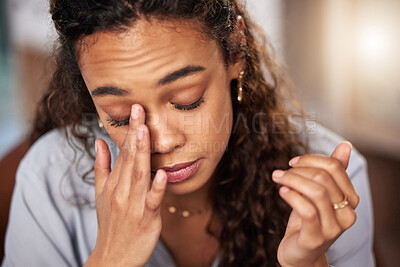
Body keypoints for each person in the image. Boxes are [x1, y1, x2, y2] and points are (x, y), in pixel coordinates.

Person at [2, 0, 375, 266]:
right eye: (119, 116)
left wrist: (307, 264)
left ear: (236, 50)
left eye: (186, 100)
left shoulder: (332, 178)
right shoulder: (48, 180)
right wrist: (110, 259)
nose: (162, 142)